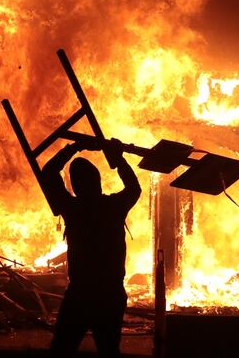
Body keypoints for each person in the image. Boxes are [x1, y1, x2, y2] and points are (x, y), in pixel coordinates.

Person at [42, 137, 141, 357]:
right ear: (98, 182)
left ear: (75, 187)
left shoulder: (72, 209)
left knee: (62, 349)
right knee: (108, 350)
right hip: (110, 293)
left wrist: (75, 147)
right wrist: (118, 160)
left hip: (81, 293)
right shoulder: (114, 206)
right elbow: (134, 188)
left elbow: (48, 172)